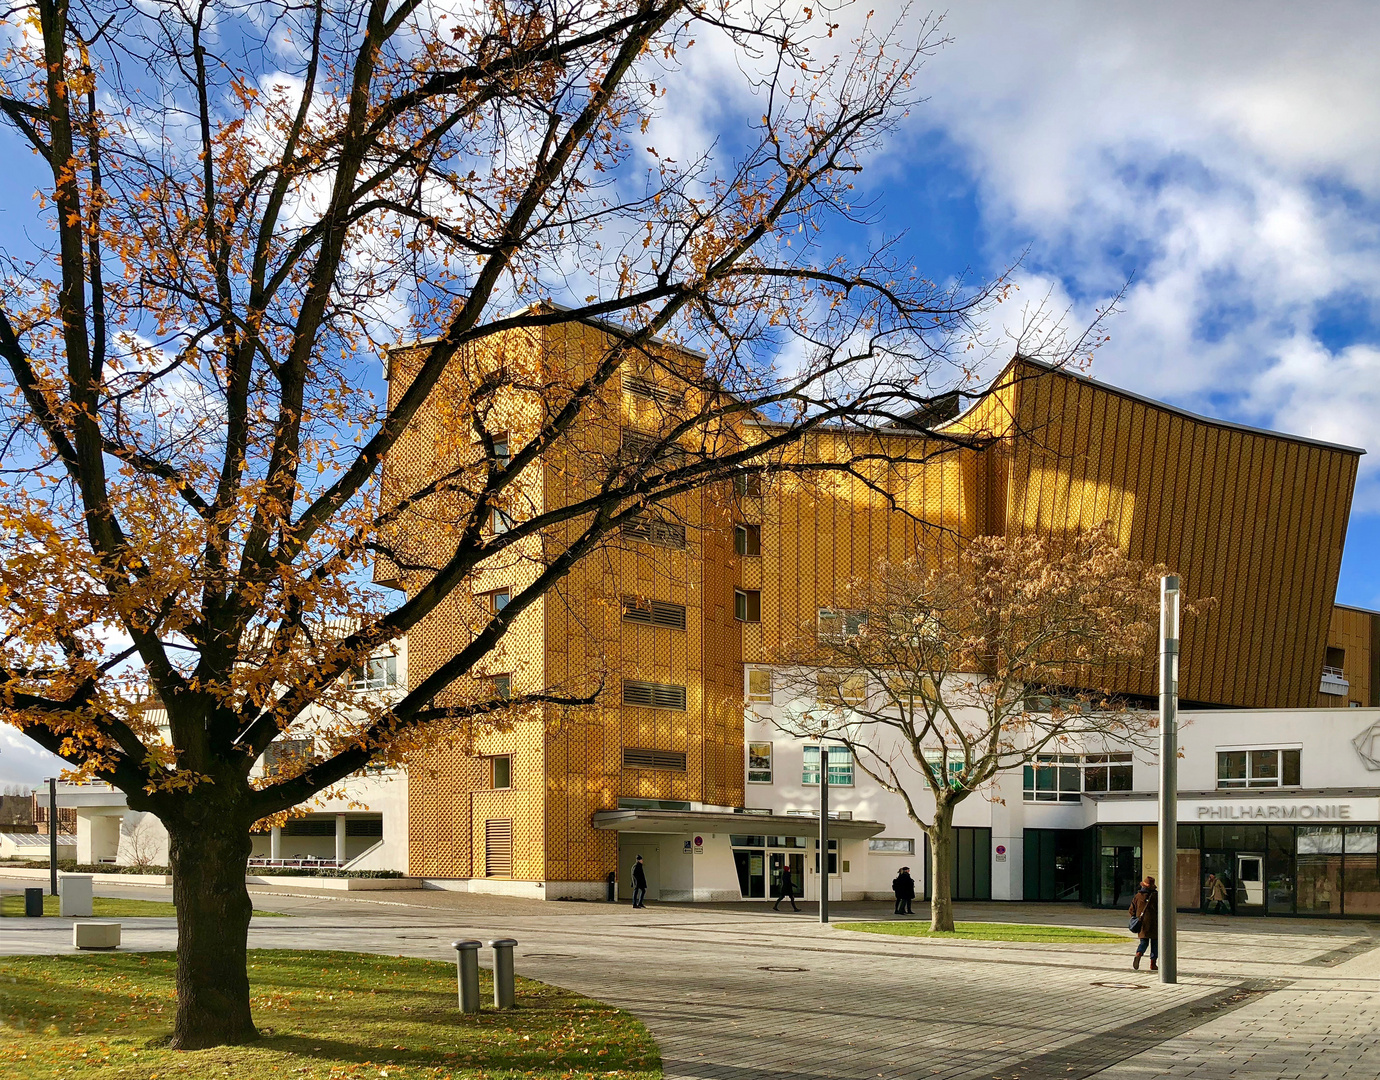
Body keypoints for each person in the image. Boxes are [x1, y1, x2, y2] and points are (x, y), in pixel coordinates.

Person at [1129, 875, 1159, 971]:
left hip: (1142, 923)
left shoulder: (1138, 896)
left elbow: (1131, 910)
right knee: (1155, 943)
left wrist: (1136, 917)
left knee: (1143, 942)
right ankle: (1153, 963)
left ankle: (1139, 953)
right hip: (1155, 923)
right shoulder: (1156, 896)